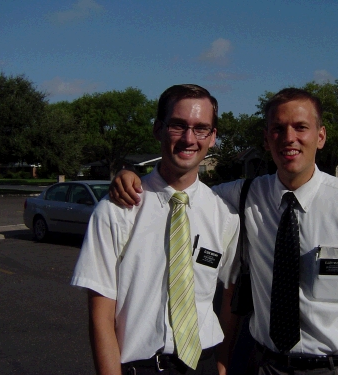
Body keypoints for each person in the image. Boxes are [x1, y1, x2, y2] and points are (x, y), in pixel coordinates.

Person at [109, 88, 338, 375]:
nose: (289, 138)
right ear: (266, 139)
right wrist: (131, 177)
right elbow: (184, 187)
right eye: (278, 129)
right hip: (266, 365)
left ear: (320, 136)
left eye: (300, 127)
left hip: (336, 366)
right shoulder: (242, 197)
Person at [71, 84, 240, 375]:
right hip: (142, 367)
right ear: (158, 129)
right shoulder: (116, 211)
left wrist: (222, 368)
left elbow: (228, 304)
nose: (189, 139)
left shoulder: (224, 215)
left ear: (212, 138)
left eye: (201, 129)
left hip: (205, 362)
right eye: (178, 126)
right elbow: (100, 318)